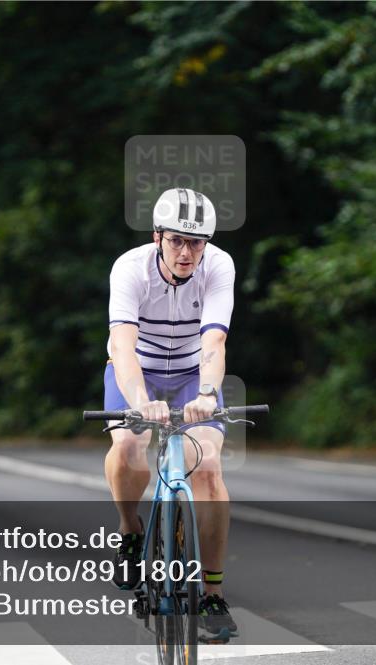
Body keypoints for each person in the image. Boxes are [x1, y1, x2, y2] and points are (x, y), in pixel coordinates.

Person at [103, 187, 237, 639]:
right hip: (134, 370)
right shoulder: (129, 268)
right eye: (177, 240)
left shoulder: (218, 266)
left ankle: (213, 594)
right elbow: (122, 345)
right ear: (157, 236)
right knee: (127, 446)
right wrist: (139, 401)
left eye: (196, 242)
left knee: (211, 468)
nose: (186, 252)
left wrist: (205, 392)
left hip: (190, 376)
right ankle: (130, 529)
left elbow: (214, 343)